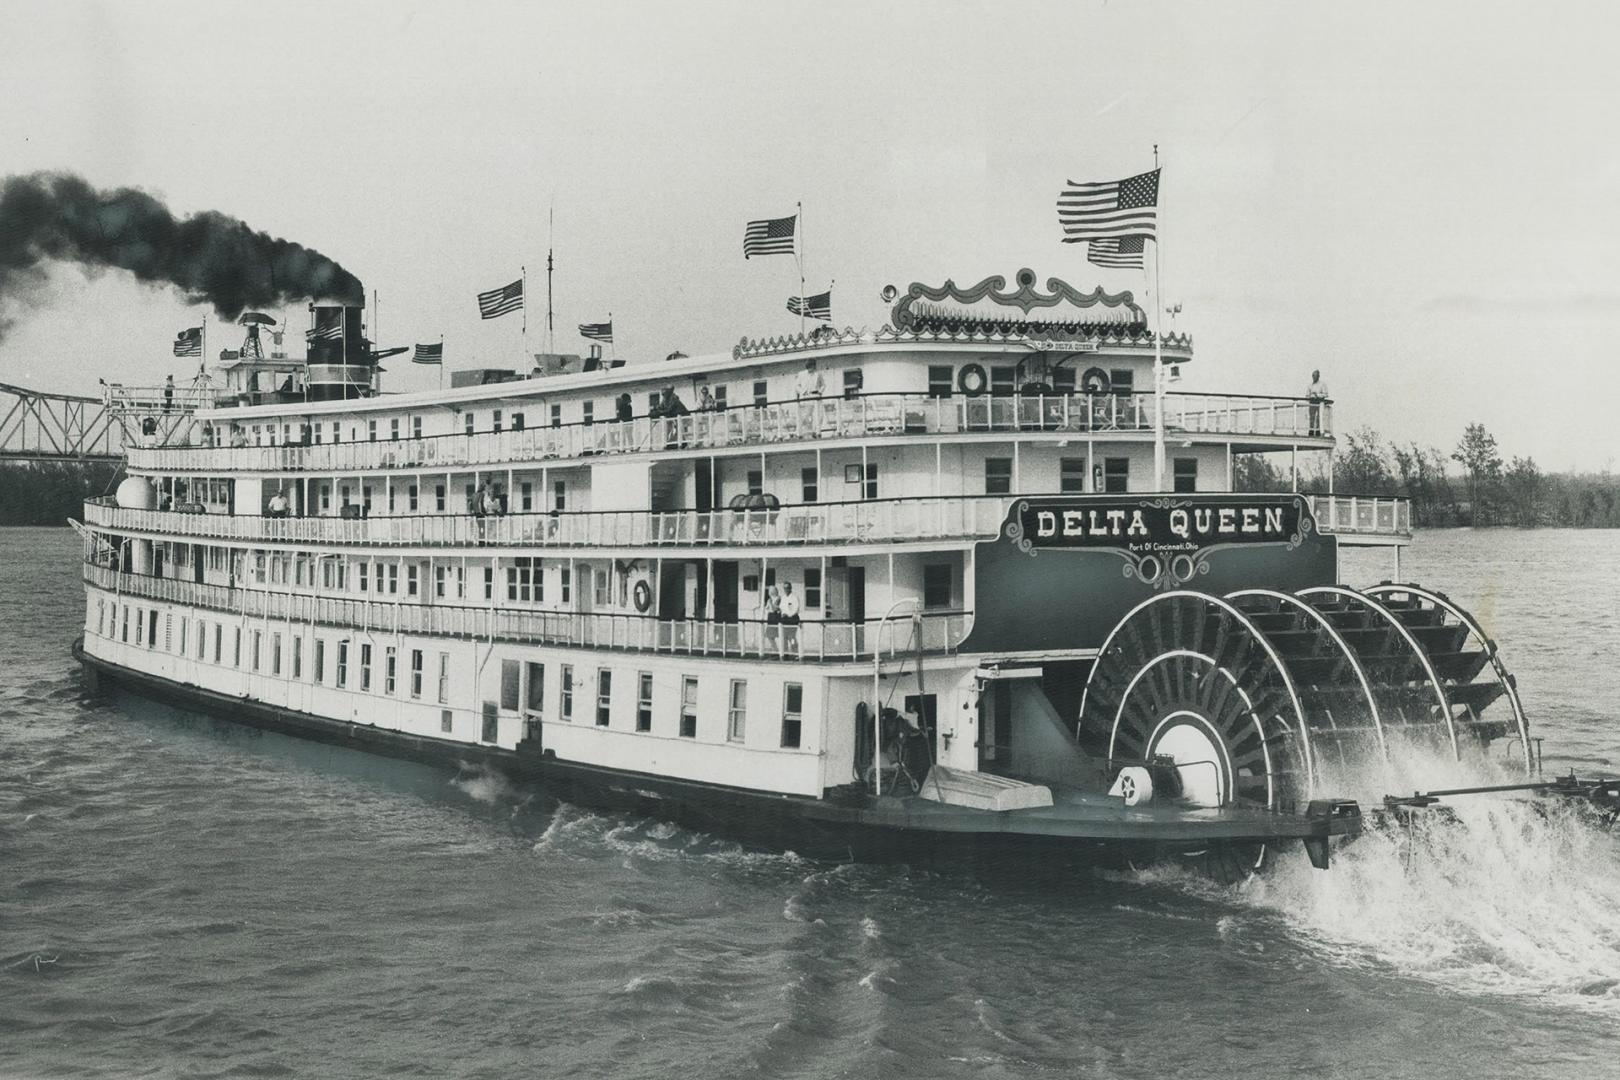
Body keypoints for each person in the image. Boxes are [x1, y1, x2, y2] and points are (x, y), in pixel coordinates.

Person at [779, 582, 801, 656]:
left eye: (787, 588)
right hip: (785, 619)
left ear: (790, 588)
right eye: (785, 588)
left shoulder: (794, 597)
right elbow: (781, 608)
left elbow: (796, 609)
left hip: (792, 619)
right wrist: (783, 614)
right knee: (784, 637)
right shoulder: (783, 597)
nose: (786, 590)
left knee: (792, 637)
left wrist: (788, 614)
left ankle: (796, 654)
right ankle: (785, 654)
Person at [1306, 369, 1329, 436]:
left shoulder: (1322, 384)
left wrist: (1317, 395)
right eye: (1313, 376)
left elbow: (1326, 394)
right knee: (1311, 417)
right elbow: (1307, 395)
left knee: (1319, 417)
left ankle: (1318, 431)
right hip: (1312, 402)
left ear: (1318, 376)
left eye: (1315, 376)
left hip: (1319, 403)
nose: (1314, 377)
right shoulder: (1310, 385)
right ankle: (1311, 431)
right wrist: (1310, 396)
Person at [763, 584, 782, 657]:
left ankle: (777, 651)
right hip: (770, 617)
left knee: (777, 635)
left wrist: (771, 604)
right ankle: (774, 650)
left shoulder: (779, 599)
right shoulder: (769, 599)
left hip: (776, 617)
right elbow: (767, 608)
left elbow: (776, 608)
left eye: (770, 590)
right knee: (769, 635)